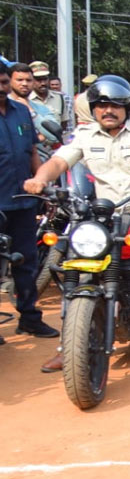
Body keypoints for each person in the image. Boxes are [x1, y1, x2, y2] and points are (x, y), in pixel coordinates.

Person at [25, 75, 130, 373]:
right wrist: (40, 178)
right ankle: (70, 344)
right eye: (101, 105)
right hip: (103, 212)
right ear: (93, 108)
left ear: (126, 108)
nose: (107, 110)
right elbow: (59, 162)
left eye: (114, 105)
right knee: (72, 253)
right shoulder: (85, 134)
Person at [0, 63, 59, 343]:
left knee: (27, 261)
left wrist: (41, 186)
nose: (2, 86)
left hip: (24, 202)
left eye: (3, 81)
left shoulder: (21, 111)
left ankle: (29, 319)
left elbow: (33, 150)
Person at [29, 62, 68, 129]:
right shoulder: (26, 100)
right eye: (38, 80)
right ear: (31, 80)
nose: (43, 83)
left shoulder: (59, 98)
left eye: (45, 79)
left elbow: (63, 123)